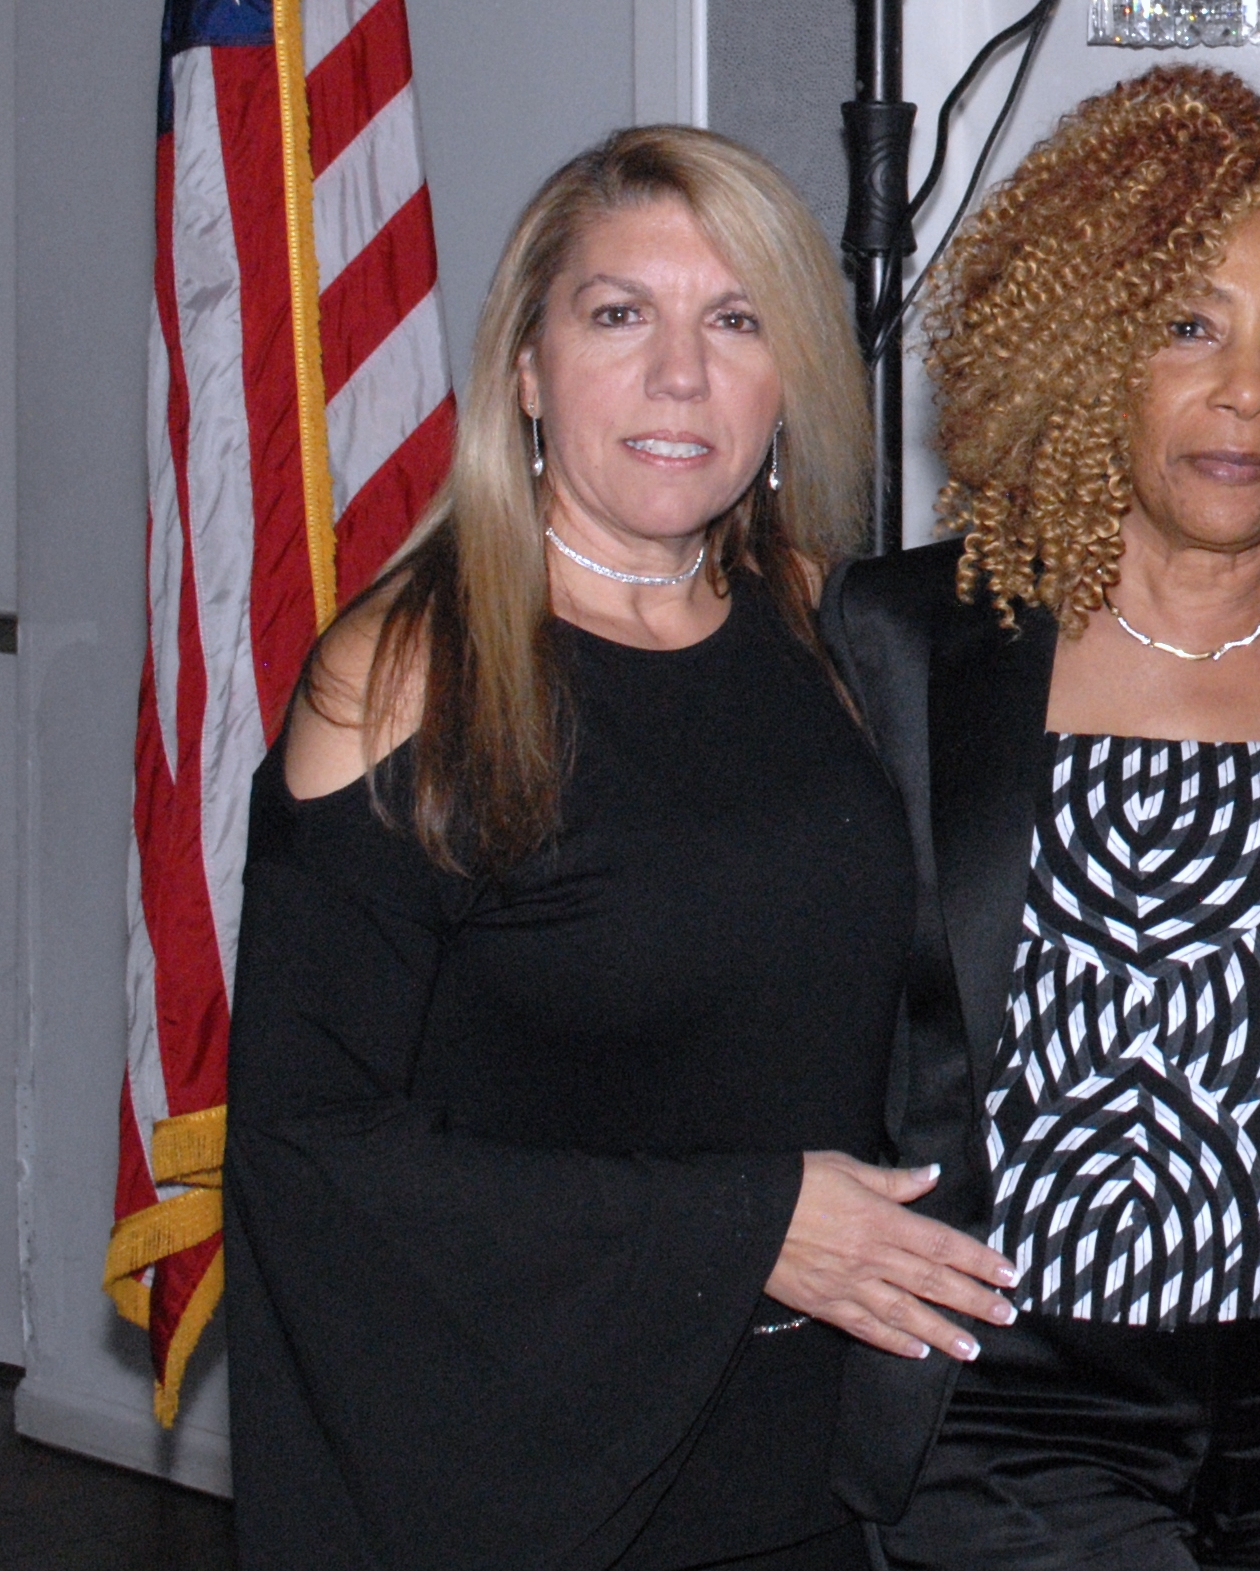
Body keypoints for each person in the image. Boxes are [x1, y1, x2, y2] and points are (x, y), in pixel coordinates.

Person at [229, 128, 1017, 1571]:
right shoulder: (407, 674)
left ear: (790, 377)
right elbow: (310, 1145)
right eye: (618, 315)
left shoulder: (826, 628)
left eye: (737, 321)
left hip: (815, 1471)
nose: (680, 376)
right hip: (529, 1481)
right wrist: (746, 1228)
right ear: (527, 369)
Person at [821, 65, 1260, 1571]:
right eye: (1189, 324)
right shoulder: (903, 641)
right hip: (1003, 1405)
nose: (1248, 391)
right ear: (1083, 343)